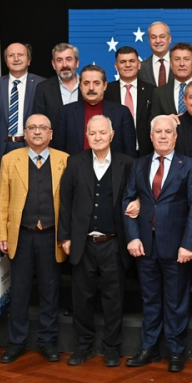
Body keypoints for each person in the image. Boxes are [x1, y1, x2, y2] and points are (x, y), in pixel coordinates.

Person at [123, 115, 192, 373]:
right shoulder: (138, 165)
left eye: (168, 132)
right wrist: (133, 236)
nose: (163, 136)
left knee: (176, 302)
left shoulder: (189, 166)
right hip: (145, 245)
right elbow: (128, 201)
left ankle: (176, 351)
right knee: (150, 300)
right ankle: (149, 348)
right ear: (150, 136)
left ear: (175, 136)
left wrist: (188, 244)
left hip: (177, 247)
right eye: (158, 132)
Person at [58, 115, 136, 368]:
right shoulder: (75, 162)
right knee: (82, 299)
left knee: (114, 299)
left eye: (103, 132)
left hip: (114, 243)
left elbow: (137, 194)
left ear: (112, 135)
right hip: (83, 244)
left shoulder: (127, 163)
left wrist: (139, 202)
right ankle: (84, 346)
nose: (98, 137)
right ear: (87, 136)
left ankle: (111, 348)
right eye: (92, 133)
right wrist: (65, 236)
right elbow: (66, 202)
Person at [0, 114, 69, 364]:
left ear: (51, 134)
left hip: (52, 237)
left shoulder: (64, 160)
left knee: (50, 291)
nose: (37, 132)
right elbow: (2, 200)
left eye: (43, 128)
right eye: (32, 128)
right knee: (19, 291)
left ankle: (48, 341)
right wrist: (1, 233)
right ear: (25, 133)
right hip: (21, 235)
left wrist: (67, 235)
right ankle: (16, 342)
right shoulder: (9, 159)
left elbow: (69, 203)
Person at [53, 64, 137, 158]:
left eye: (96, 83)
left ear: (105, 86)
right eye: (86, 83)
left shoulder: (122, 113)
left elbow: (130, 154)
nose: (91, 88)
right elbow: (58, 152)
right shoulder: (66, 112)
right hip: (75, 166)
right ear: (80, 86)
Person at [0, 42, 46, 156]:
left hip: (32, 146)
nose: (16, 59)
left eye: (20, 55)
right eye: (11, 56)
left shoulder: (41, 84)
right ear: (6, 61)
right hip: (0, 149)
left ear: (29, 60)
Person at [105, 46, 155, 157]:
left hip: (145, 154)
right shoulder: (107, 91)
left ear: (139, 65)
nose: (128, 65)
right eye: (123, 62)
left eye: (132, 61)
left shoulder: (152, 91)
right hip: (115, 154)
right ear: (116, 66)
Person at [150, 42, 192, 119]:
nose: (182, 64)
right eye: (177, 59)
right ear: (171, 64)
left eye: (186, 59)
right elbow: (152, 122)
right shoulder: (159, 93)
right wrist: (165, 120)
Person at [33, 43, 82, 129]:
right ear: (53, 64)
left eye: (69, 59)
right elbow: (39, 121)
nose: (64, 65)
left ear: (77, 62)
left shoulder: (88, 85)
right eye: (59, 60)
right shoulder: (43, 88)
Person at [137, 21, 173, 87]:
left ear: (170, 39)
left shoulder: (180, 64)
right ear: (149, 40)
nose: (158, 41)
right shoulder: (141, 67)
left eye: (162, 36)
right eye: (153, 37)